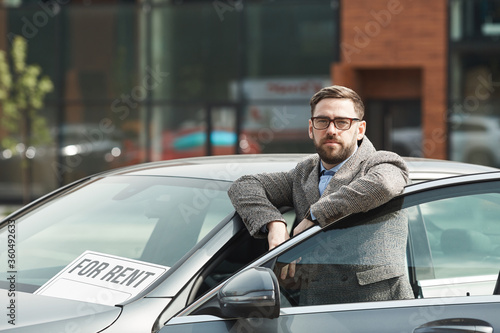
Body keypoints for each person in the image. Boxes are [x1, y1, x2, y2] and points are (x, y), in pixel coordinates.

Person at [228, 85, 414, 304]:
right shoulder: (303, 173)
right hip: (315, 311)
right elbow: (244, 186)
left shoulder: (383, 163)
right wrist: (275, 224)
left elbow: (381, 186)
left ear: (360, 129)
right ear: (311, 128)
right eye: (322, 121)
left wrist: (314, 216)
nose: (331, 130)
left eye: (342, 122)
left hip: (379, 310)